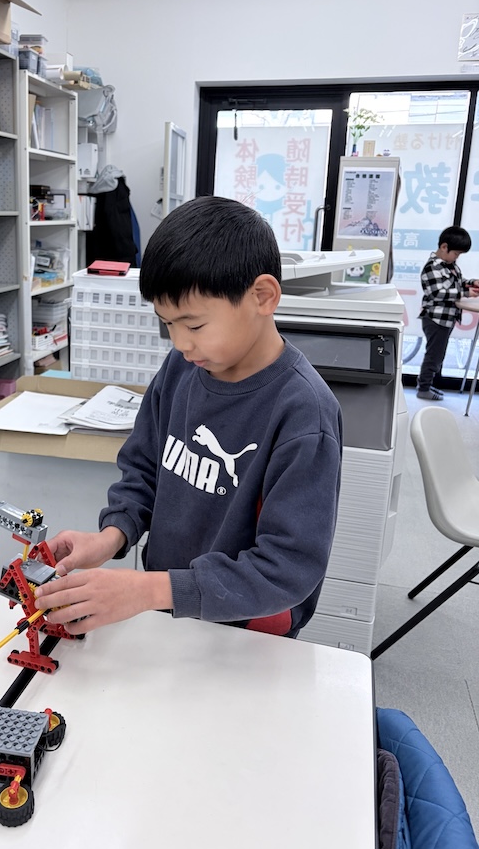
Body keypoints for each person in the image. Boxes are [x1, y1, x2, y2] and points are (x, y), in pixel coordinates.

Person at [35, 196, 343, 638]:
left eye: (194, 325)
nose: (180, 343)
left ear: (262, 297)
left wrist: (150, 590)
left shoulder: (303, 412)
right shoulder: (183, 367)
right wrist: (112, 535)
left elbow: (287, 568)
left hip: (246, 631)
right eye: (168, 325)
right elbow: (145, 468)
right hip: (169, 606)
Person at [417, 226, 479, 401]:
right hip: (435, 319)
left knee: (438, 355)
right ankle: (423, 388)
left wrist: (471, 282)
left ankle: (427, 384)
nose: (457, 257)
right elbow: (437, 293)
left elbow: (457, 282)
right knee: (434, 356)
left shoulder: (450, 266)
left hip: (446, 318)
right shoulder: (432, 267)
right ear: (444, 247)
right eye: (456, 254)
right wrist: (466, 293)